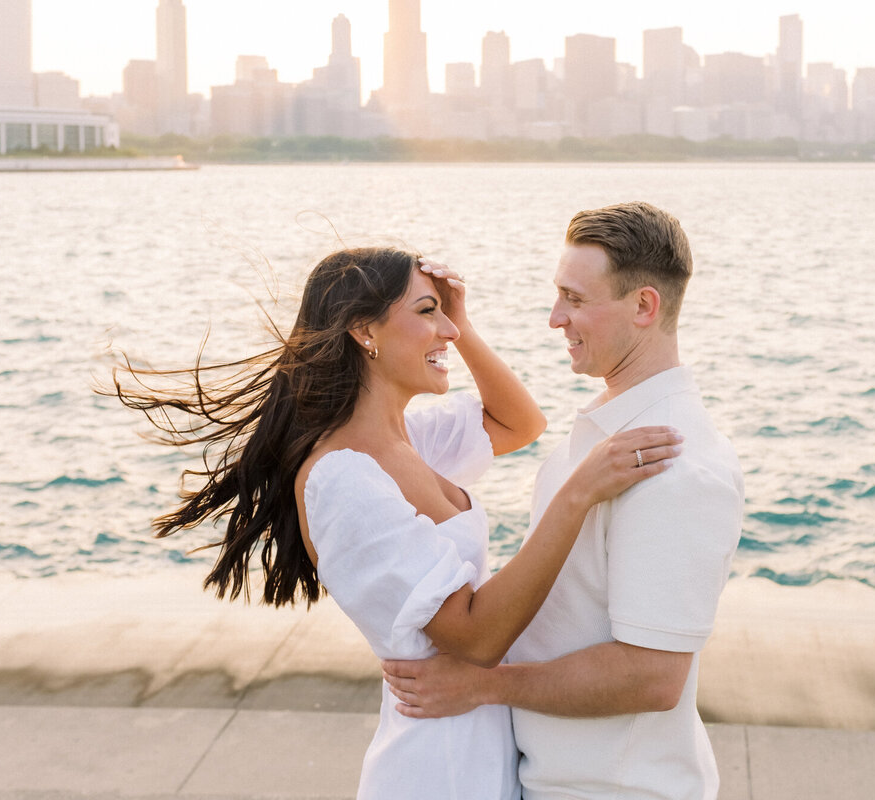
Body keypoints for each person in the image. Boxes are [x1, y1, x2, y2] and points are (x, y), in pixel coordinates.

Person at [108, 246, 682, 800]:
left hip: (482, 743)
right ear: (365, 331)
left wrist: (462, 321)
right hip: (439, 767)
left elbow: (521, 422)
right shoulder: (343, 479)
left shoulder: (409, 442)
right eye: (426, 313)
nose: (448, 333)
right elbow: (476, 637)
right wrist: (579, 492)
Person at [383, 203, 745, 800]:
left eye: (574, 300)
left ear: (644, 307)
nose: (556, 319)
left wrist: (483, 685)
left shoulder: (675, 467)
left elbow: (653, 677)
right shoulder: (612, 435)